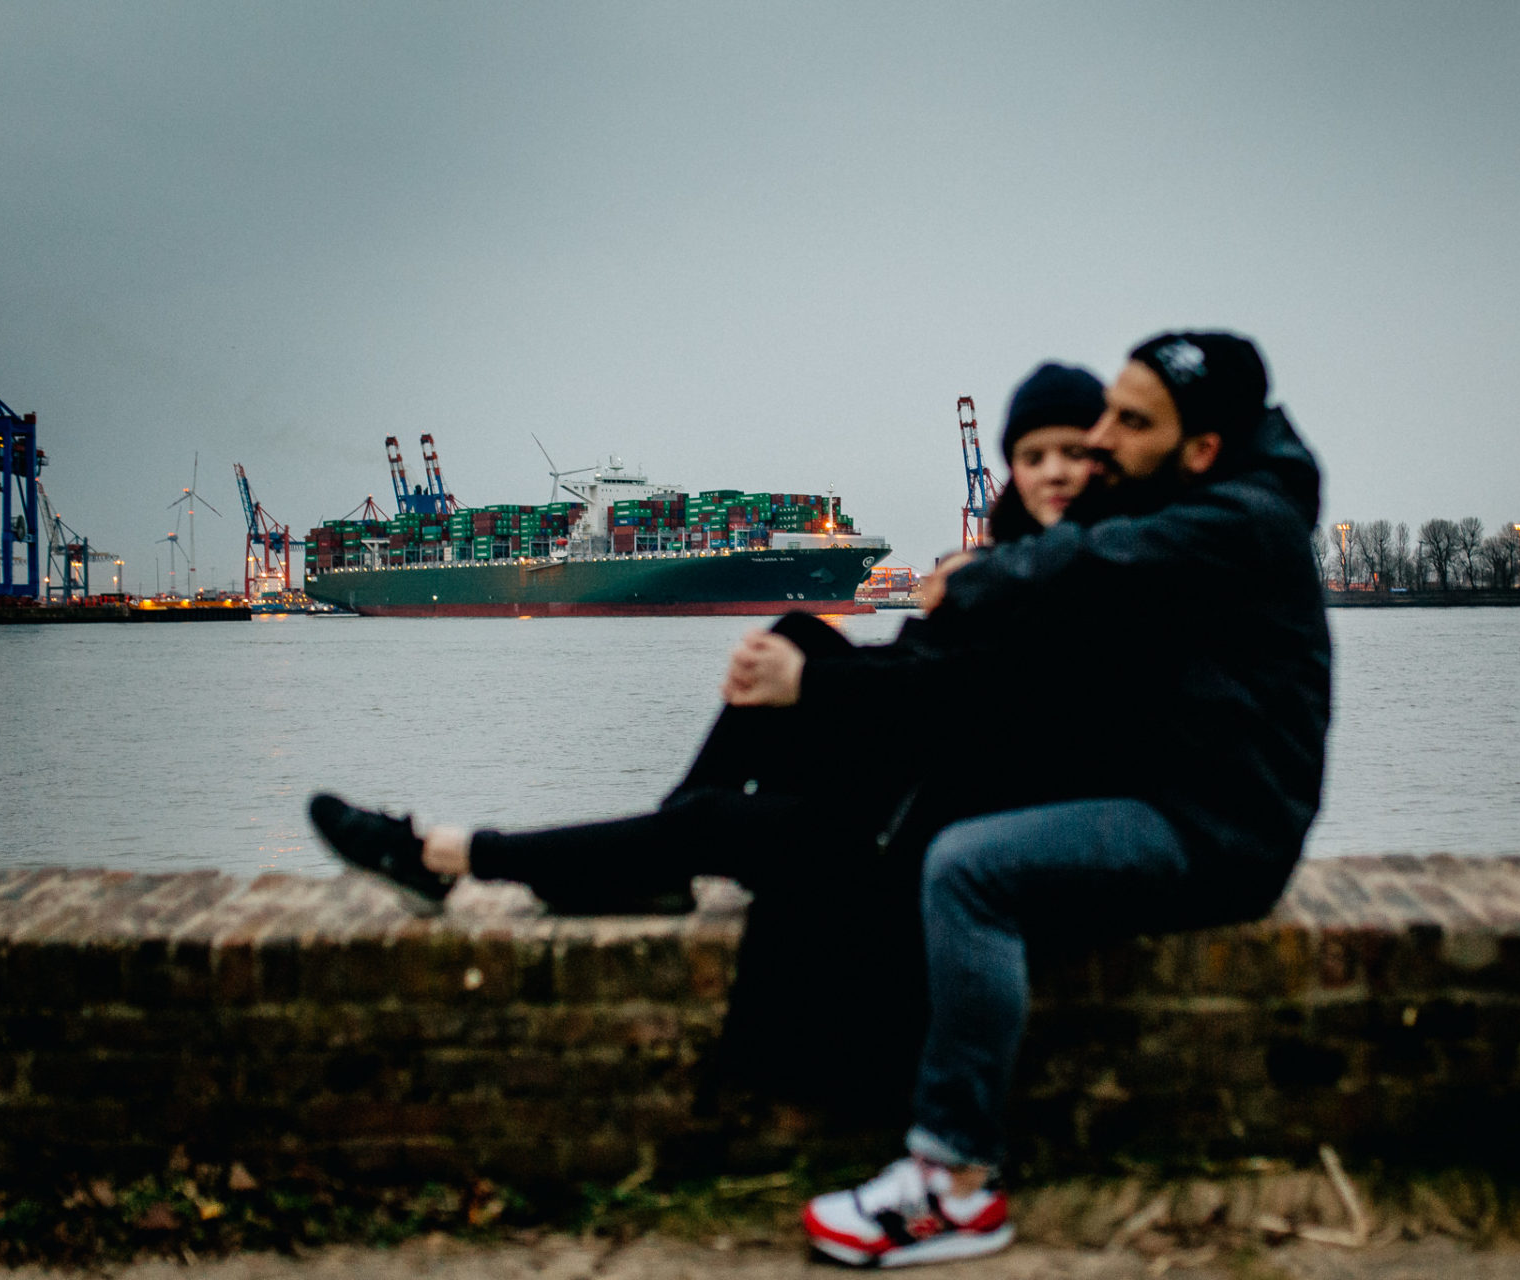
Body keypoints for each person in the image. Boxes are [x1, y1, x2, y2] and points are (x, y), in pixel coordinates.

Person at [308, 361, 1109, 1111]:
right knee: (796, 627)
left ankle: (439, 855)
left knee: (712, 817)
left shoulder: (1101, 557)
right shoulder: (1026, 556)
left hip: (955, 807)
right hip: (933, 762)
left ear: (1107, 454)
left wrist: (820, 683)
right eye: (1034, 454)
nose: (1055, 471)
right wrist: (823, 660)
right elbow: (940, 675)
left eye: (1076, 450)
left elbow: (985, 694)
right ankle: (664, 847)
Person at [794, 332, 1330, 1267]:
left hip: (1219, 828)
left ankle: (954, 1182)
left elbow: (1090, 562)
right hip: (1175, 786)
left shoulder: (1241, 517)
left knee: (968, 872)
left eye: (1129, 421)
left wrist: (971, 581)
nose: (1102, 437)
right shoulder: (1204, 491)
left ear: (1200, 447)